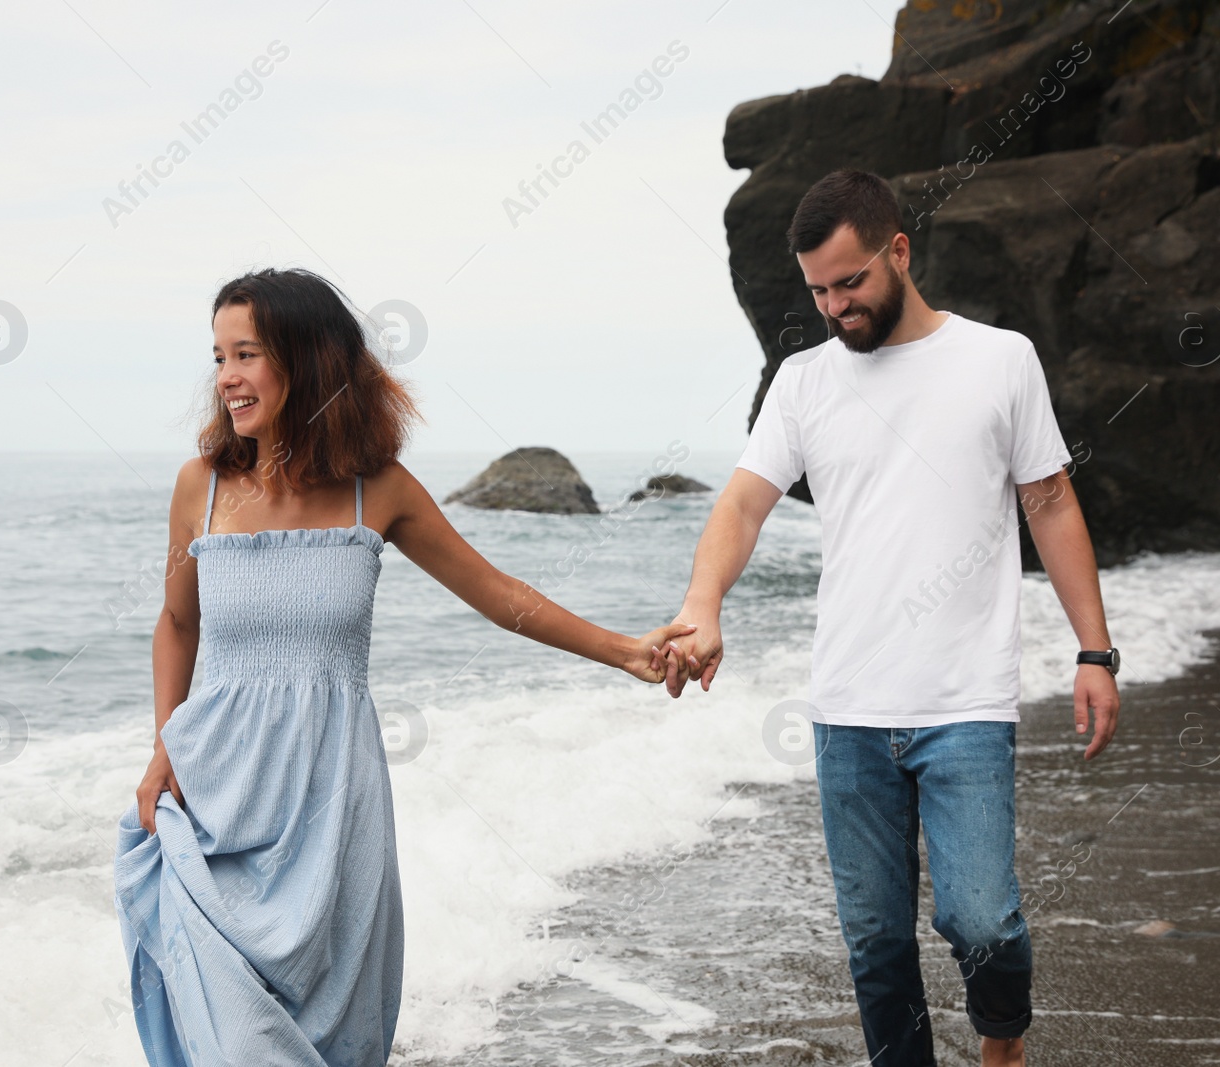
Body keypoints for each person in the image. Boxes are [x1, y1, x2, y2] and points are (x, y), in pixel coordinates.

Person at [112, 266, 694, 1066]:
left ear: (307, 357)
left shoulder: (375, 491)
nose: (227, 378)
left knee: (333, 1031)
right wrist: (161, 748)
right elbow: (178, 622)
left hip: (330, 802)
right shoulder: (201, 486)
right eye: (218, 358)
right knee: (236, 1041)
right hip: (216, 789)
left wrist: (626, 649)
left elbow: (499, 594)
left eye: (245, 354)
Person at [659, 169, 1120, 1067]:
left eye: (851, 282)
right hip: (847, 710)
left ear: (899, 251)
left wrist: (1094, 650)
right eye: (819, 291)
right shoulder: (803, 383)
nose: (837, 306)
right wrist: (700, 604)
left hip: (966, 703)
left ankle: (1002, 1044)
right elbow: (744, 505)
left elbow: (1051, 503)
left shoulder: (1000, 359)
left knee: (982, 921)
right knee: (875, 945)